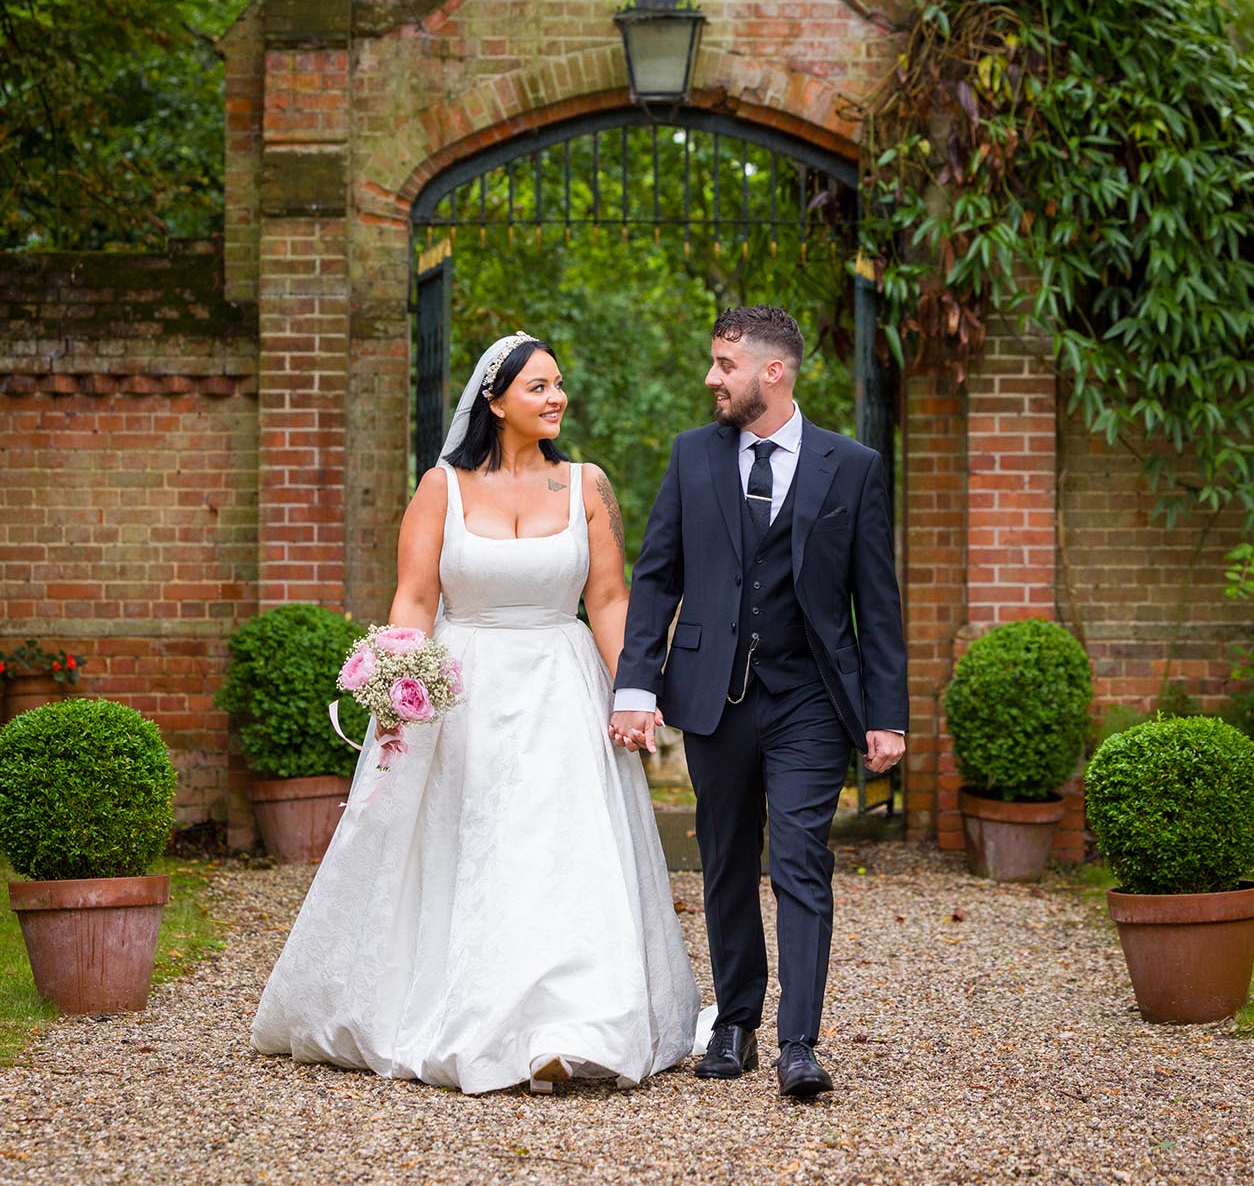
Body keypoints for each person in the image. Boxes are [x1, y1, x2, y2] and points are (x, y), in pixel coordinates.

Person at [252, 331, 700, 1094]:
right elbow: (417, 597)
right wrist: (397, 687)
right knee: (478, 845)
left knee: (561, 850)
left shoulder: (588, 486)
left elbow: (609, 599)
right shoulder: (442, 490)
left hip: (560, 689)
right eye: (538, 388)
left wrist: (636, 689)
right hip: (465, 694)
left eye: (559, 384)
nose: (556, 398)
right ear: (495, 403)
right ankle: (469, 1010)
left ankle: (576, 1025)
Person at [610, 305, 907, 1101]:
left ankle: (799, 1043)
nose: (712, 378)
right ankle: (734, 1021)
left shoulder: (852, 466)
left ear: (772, 372)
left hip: (810, 696)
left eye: (724, 364)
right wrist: (636, 684)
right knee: (727, 859)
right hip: (714, 696)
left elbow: (875, 601)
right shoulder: (691, 458)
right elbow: (657, 577)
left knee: (803, 857)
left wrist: (887, 715)